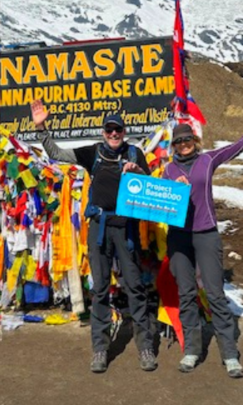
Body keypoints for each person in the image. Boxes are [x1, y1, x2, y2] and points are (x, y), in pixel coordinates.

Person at [30, 99, 157, 374]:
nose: (114, 135)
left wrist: (138, 173)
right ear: (103, 132)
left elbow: (151, 190)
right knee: (100, 288)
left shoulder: (136, 155)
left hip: (126, 229)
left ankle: (145, 345)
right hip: (99, 227)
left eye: (118, 131)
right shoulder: (93, 153)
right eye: (109, 130)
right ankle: (100, 349)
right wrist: (42, 128)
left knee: (135, 286)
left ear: (124, 132)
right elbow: (57, 154)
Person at [162, 101, 243, 378]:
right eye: (178, 142)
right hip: (179, 238)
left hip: (206, 234)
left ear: (195, 140)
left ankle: (229, 354)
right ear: (173, 146)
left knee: (215, 294)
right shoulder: (168, 171)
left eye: (187, 140)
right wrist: (171, 189)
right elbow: (157, 203)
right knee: (187, 294)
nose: (184, 145)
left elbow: (237, 146)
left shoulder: (208, 159)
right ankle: (192, 350)